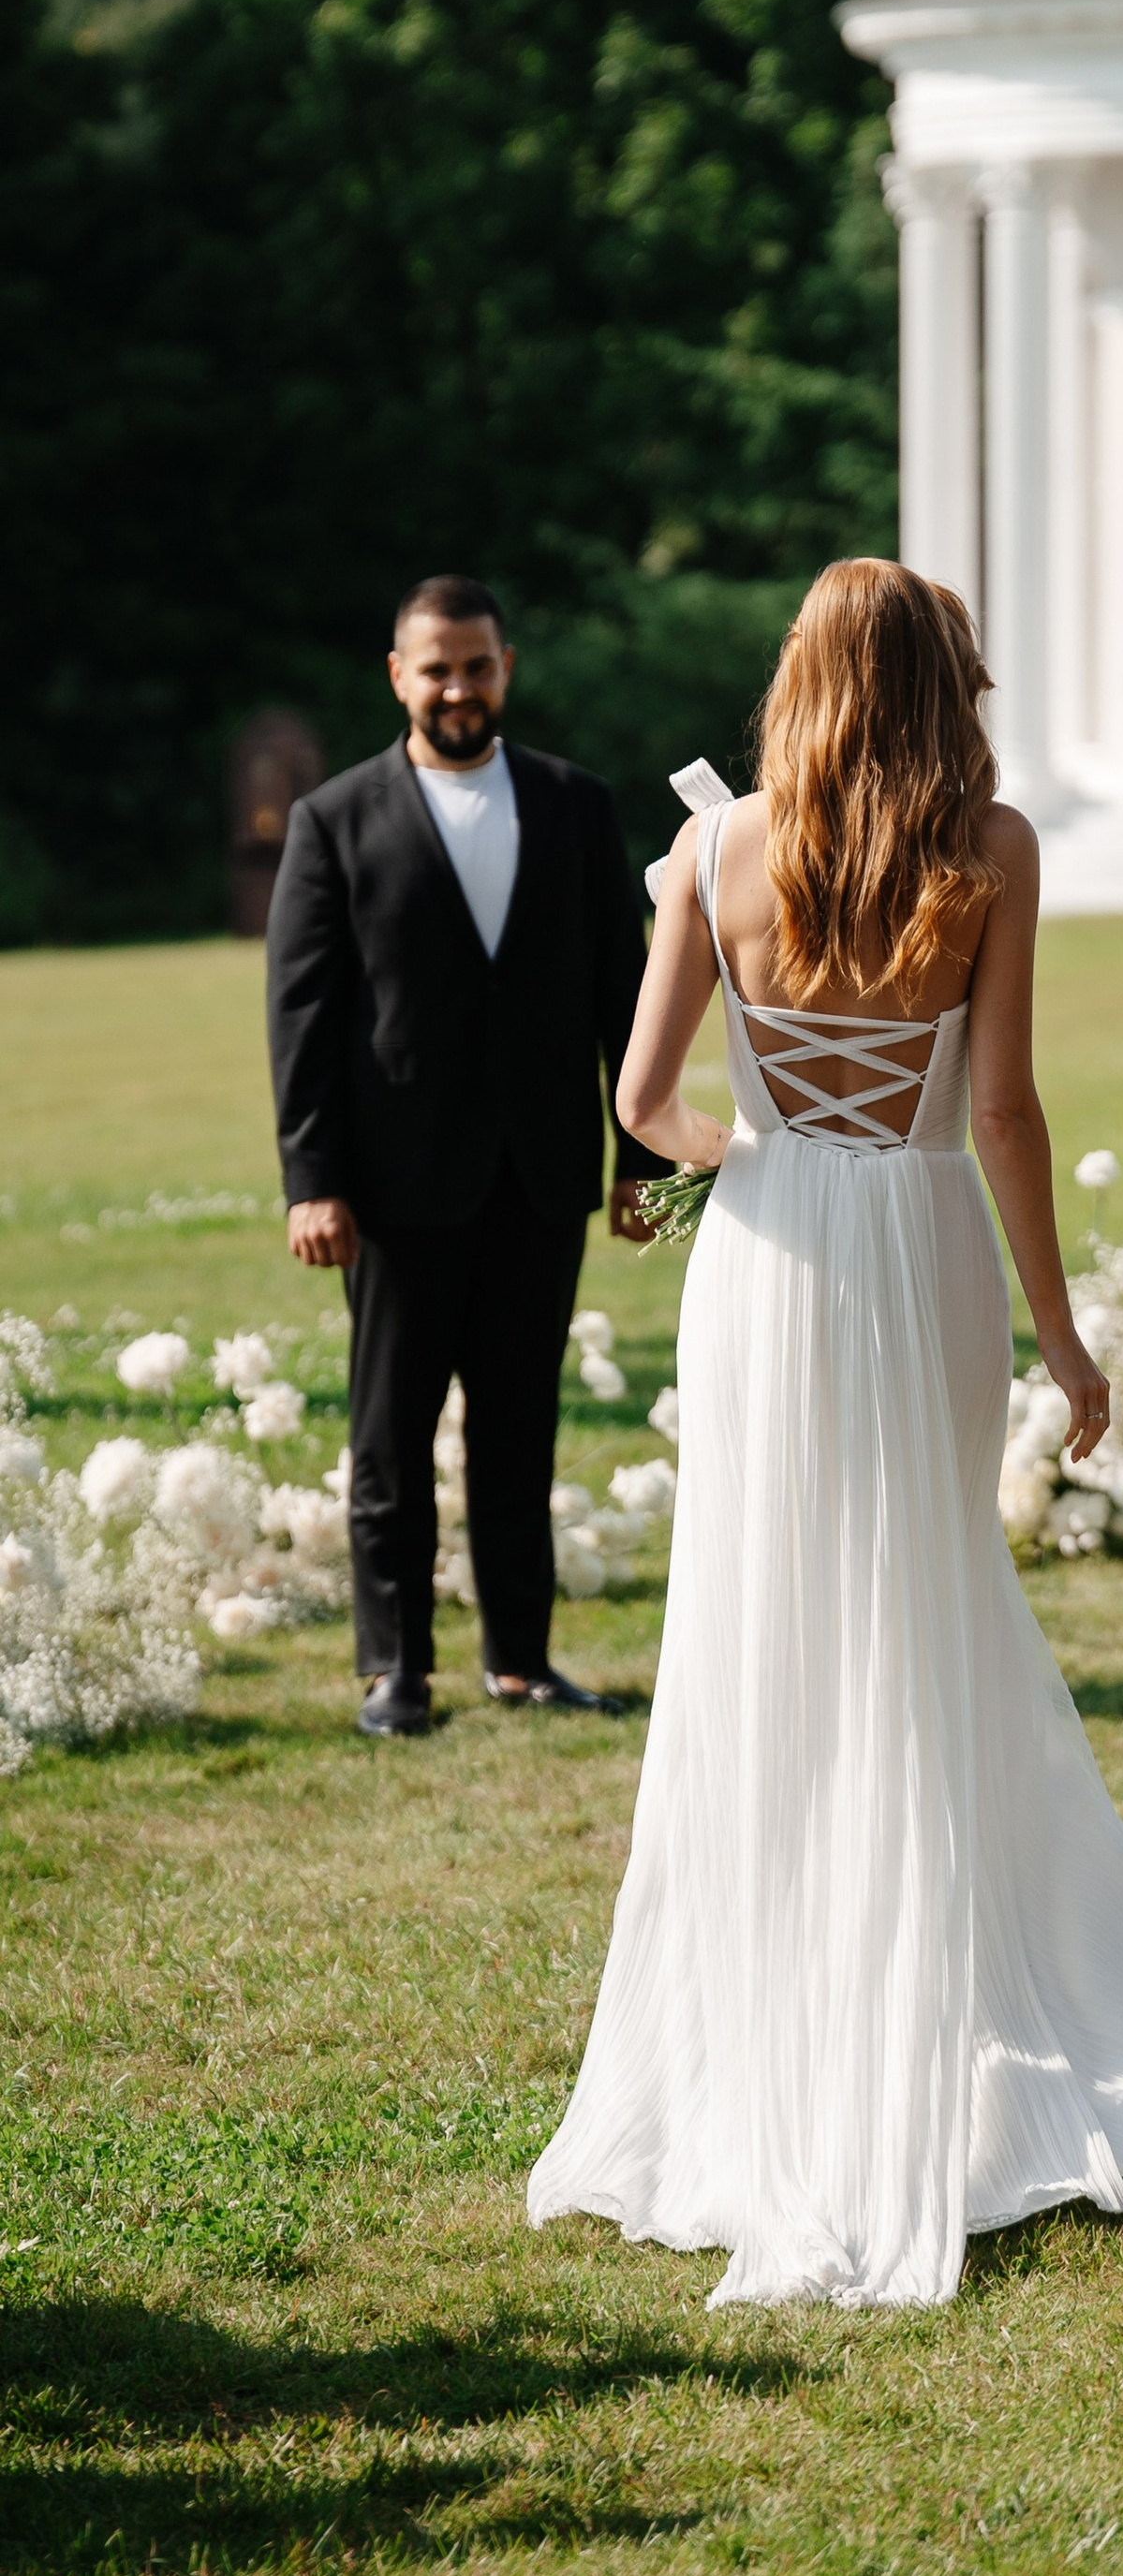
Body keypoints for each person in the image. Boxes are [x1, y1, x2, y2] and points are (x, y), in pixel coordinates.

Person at [526, 560, 1123, 2309]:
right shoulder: (991, 851)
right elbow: (996, 1105)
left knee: (767, 1634)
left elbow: (636, 1105)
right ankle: (959, 2036)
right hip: (921, 1246)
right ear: (942, 681)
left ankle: (773, 2057)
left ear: (800, 679)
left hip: (770, 1265)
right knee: (924, 1622)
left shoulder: (711, 853)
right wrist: (1065, 1340)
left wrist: (744, 1160)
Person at [266, 577, 665, 1737]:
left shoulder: (576, 807)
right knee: (389, 1433)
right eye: (435, 668)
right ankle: (395, 1670)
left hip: (542, 1179)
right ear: (398, 674)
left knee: (519, 1427)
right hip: (391, 1190)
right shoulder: (333, 820)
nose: (457, 688)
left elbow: (625, 998)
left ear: (507, 668)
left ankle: (522, 1662)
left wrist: (643, 1164)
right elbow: (302, 1018)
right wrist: (313, 1180)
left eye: (476, 666)